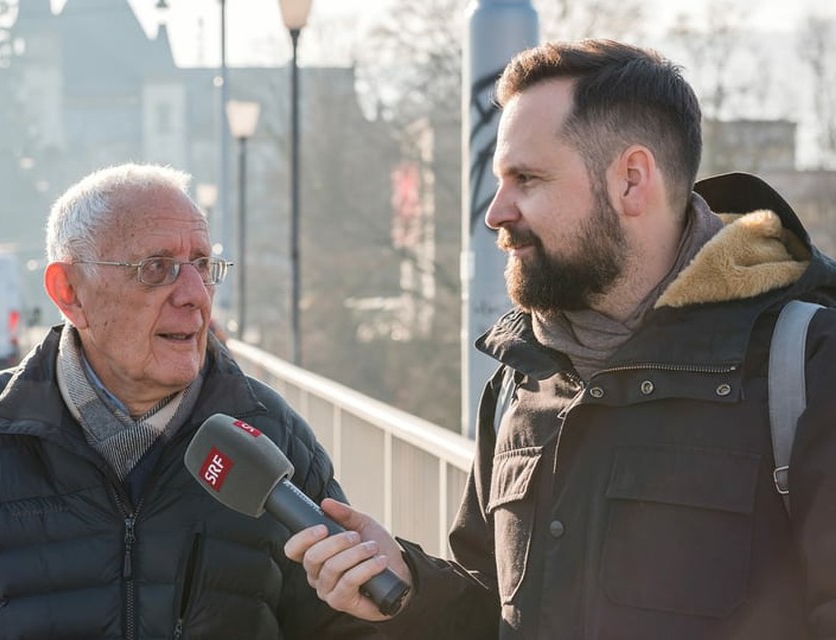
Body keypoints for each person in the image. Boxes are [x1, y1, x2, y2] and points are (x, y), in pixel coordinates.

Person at [284, 39, 836, 639]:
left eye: (527, 178)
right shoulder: (519, 381)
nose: (496, 212)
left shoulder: (807, 367)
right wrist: (411, 586)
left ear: (631, 181)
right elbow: (492, 608)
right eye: (501, 180)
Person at [0, 163, 381, 639]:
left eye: (202, 264)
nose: (195, 293)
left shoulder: (273, 435)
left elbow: (344, 629)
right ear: (69, 292)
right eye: (157, 269)